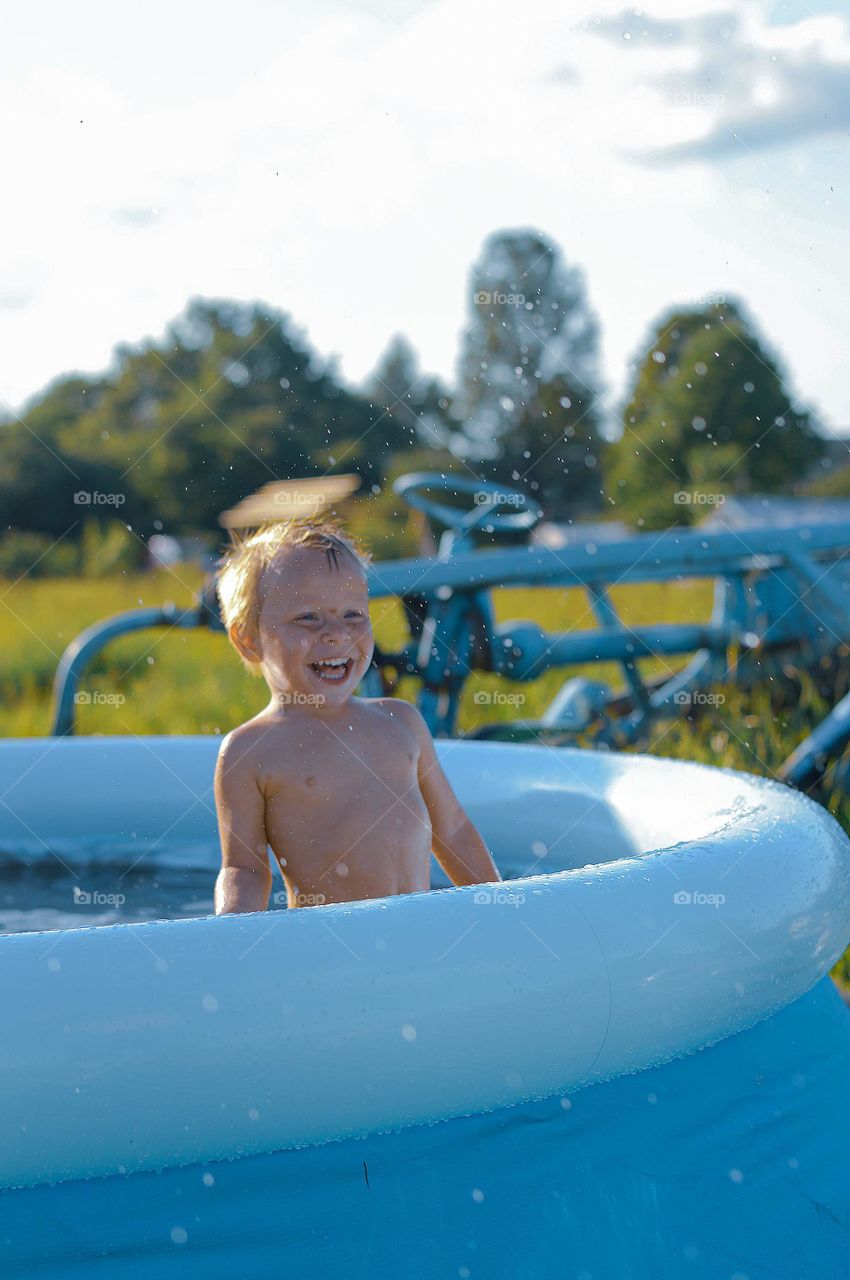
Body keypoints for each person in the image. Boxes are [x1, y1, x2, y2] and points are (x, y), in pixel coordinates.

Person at [213, 515, 501, 914]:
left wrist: (501, 908)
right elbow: (244, 870)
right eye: (308, 617)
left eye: (353, 615)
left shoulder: (402, 724)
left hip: (417, 937)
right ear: (248, 641)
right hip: (328, 952)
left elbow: (453, 829)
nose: (337, 633)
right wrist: (231, 944)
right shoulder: (251, 751)